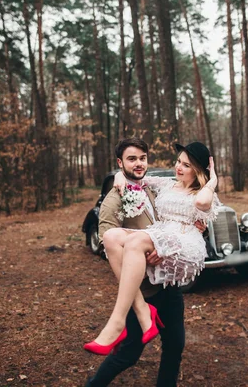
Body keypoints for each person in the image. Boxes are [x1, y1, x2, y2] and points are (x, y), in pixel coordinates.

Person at [84, 140, 219, 384]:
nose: (138, 163)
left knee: (175, 345)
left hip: (168, 284)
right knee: (127, 353)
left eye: (142, 158)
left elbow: (189, 215)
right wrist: (118, 177)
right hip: (143, 288)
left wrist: (200, 228)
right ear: (120, 163)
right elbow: (108, 243)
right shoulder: (115, 198)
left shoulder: (155, 188)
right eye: (131, 159)